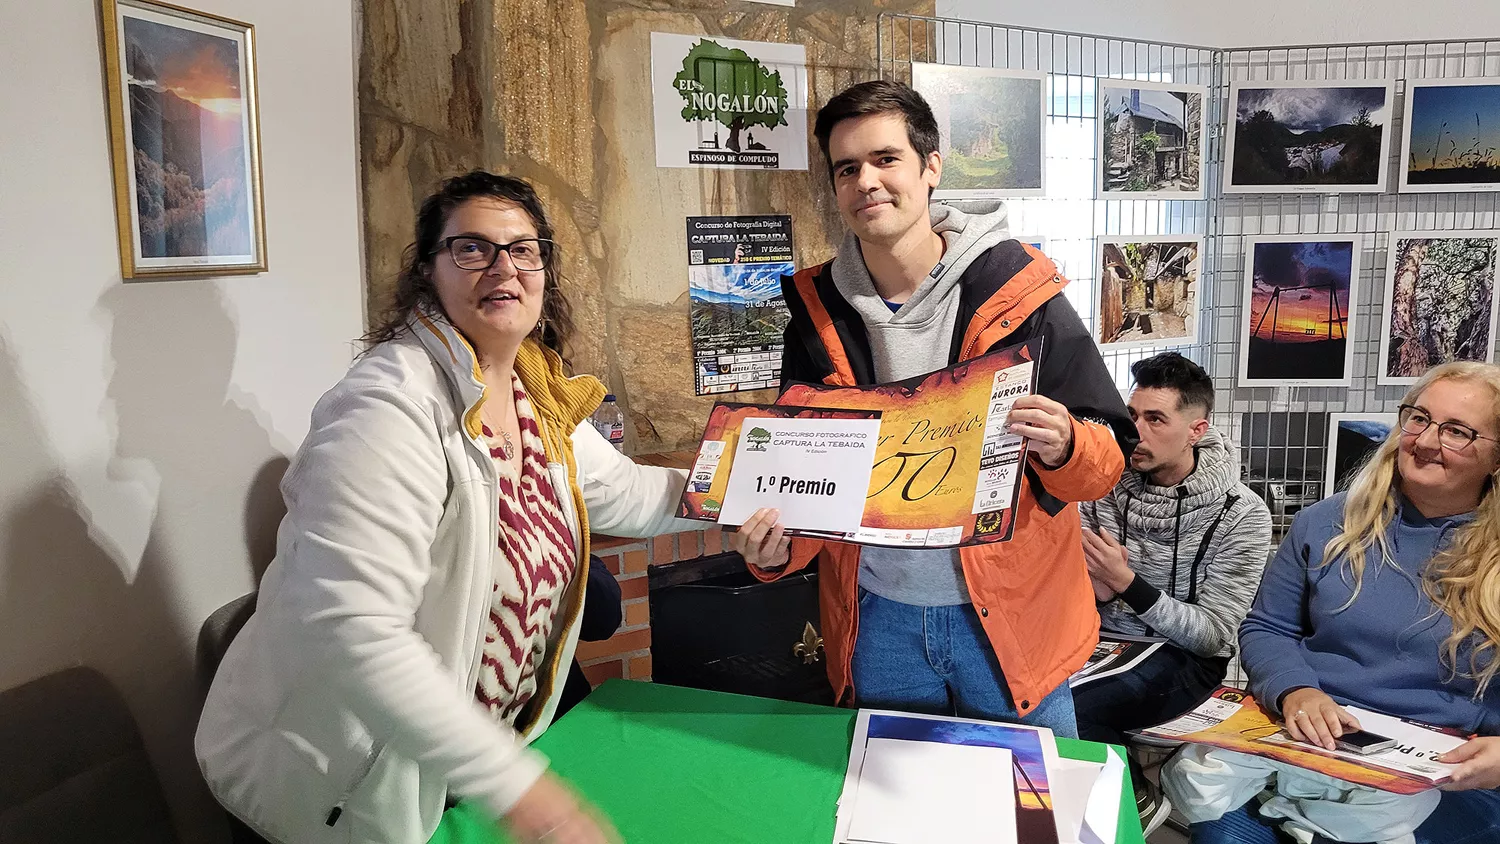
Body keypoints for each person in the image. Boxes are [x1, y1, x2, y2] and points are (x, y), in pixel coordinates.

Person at [197, 171, 692, 844]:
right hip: (339, 785)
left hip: (462, 764)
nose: (503, 268)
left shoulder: (529, 389)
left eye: (524, 249)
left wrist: (737, 499)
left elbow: (629, 493)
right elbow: (355, 626)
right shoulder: (386, 405)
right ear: (428, 271)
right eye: (472, 248)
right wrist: (522, 791)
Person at [729, 80, 1137, 736]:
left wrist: (1066, 444)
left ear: (931, 167)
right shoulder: (814, 315)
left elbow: (1106, 458)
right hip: (877, 621)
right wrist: (774, 552)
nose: (867, 180)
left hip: (1012, 620)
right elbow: (806, 474)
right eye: (847, 168)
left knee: (1031, 816)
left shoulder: (1021, 293)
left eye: (886, 159)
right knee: (898, 812)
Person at [1162, 362, 1500, 844]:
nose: (1425, 441)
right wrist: (1295, 690)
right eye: (1418, 418)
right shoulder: (1326, 523)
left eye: (1458, 432)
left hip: (1448, 762)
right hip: (1310, 733)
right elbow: (1267, 628)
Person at [1075, 352, 1272, 831]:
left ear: (1196, 430)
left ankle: (1130, 803)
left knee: (1073, 710)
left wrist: (1126, 584)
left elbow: (1212, 635)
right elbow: (1077, 588)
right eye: (1132, 416)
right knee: (1020, 692)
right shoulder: (1099, 488)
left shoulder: (1243, 514)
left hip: (1187, 659)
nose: (1135, 431)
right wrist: (1096, 591)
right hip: (1097, 642)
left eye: (1155, 419)